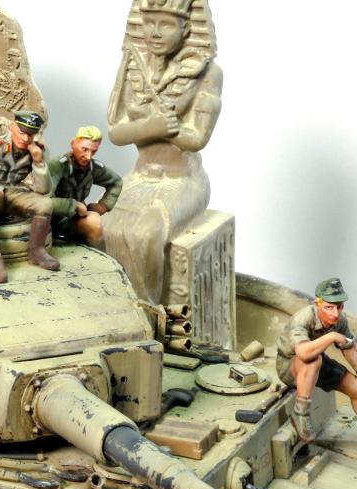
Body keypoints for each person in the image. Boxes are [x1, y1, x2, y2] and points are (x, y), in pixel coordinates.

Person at [103, 0, 223, 303]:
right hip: (140, 176)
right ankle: (116, 309)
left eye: (166, 24)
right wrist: (153, 126)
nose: (155, 32)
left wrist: (161, 128)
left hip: (182, 179)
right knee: (101, 228)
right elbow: (116, 132)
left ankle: (147, 312)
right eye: (149, 23)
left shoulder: (208, 73)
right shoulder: (132, 66)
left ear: (187, 28)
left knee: (146, 234)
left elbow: (197, 138)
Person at [277, 278, 357, 447]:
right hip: (290, 366)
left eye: (339, 307)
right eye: (329, 307)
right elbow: (304, 354)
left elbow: (348, 346)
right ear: (317, 303)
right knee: (313, 360)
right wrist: (331, 336)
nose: (335, 313)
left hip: (317, 363)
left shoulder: (339, 320)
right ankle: (300, 415)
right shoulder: (302, 319)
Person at [0, 111, 59, 283]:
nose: (25, 138)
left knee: (45, 204)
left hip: (15, 193)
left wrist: (38, 162)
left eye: (30, 135)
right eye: (21, 132)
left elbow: (43, 189)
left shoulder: (38, 151)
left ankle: (36, 252)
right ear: (13, 127)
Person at [48, 126, 122, 245]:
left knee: (94, 222)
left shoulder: (93, 168)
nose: (88, 156)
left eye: (93, 151)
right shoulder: (57, 165)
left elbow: (116, 182)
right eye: (84, 149)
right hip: (48, 222)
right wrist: (74, 205)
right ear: (73, 143)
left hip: (72, 220)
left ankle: (96, 255)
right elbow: (44, 201)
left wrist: (103, 206)